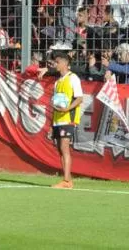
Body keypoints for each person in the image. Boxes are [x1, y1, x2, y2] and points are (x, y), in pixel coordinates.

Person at [50, 52, 85, 189]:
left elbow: (80, 98)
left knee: (64, 148)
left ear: (64, 63)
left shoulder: (73, 78)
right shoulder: (58, 82)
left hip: (68, 118)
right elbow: (56, 104)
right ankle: (67, 180)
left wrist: (67, 109)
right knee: (60, 149)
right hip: (58, 120)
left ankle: (66, 180)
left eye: (57, 62)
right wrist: (51, 124)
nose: (55, 65)